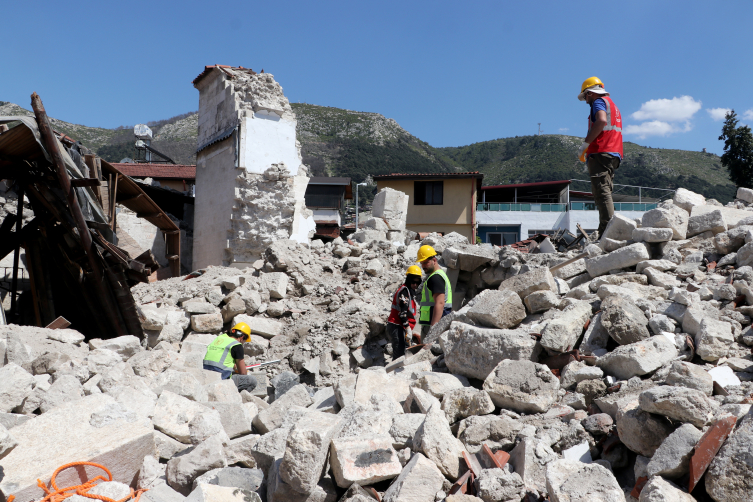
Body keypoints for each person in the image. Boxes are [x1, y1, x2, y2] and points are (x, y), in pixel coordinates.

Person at [577, 76, 623, 237]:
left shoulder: (598, 102)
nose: (586, 101)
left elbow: (601, 120)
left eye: (585, 97)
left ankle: (607, 231)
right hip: (614, 153)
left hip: (601, 151)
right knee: (605, 191)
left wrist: (586, 144)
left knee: (601, 192)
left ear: (590, 93)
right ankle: (607, 227)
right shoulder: (613, 105)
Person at [203, 322, 257, 392]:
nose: (244, 342)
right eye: (245, 340)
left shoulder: (220, 338)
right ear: (242, 337)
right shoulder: (237, 345)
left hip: (206, 375)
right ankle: (234, 398)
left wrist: (234, 365)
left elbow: (221, 358)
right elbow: (243, 373)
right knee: (252, 381)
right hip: (221, 380)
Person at [416, 245, 453, 339]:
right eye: (422, 263)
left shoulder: (436, 278)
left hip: (433, 324)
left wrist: (433, 330)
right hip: (437, 323)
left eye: (426, 262)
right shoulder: (439, 275)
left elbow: (440, 303)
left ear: (434, 260)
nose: (423, 266)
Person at [386, 265, 422, 359]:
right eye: (413, 282)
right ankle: (393, 372)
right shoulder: (404, 292)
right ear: (408, 280)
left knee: (405, 351)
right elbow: (402, 314)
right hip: (397, 326)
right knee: (399, 356)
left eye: (418, 282)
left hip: (401, 326)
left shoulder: (409, 292)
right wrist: (408, 328)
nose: (415, 284)